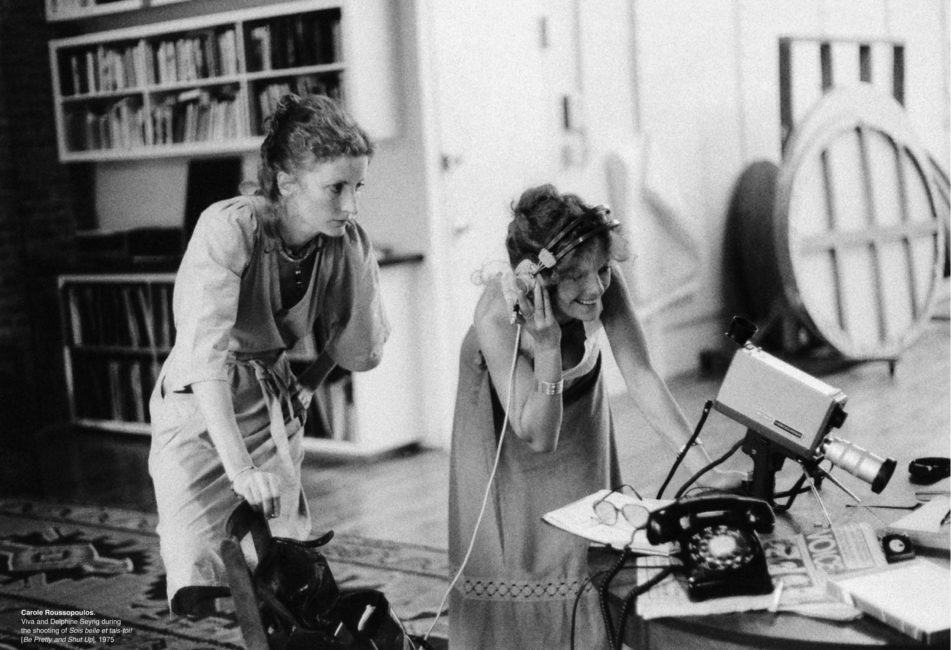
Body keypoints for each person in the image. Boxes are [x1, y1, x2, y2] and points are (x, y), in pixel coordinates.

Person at [447, 184, 742, 649]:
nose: (594, 288)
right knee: (521, 565)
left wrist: (702, 467)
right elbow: (537, 435)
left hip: (579, 428)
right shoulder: (496, 316)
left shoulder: (599, 283)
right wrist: (546, 348)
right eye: (574, 277)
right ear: (536, 279)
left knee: (589, 556)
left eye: (602, 269)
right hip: (509, 446)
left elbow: (641, 374)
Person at [148, 94, 388, 615]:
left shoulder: (340, 240)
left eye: (358, 187)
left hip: (272, 401)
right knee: (196, 566)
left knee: (281, 571)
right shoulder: (229, 228)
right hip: (200, 405)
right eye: (336, 189)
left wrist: (309, 381)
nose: (351, 206)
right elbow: (204, 360)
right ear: (285, 182)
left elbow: (360, 345)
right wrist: (239, 471)